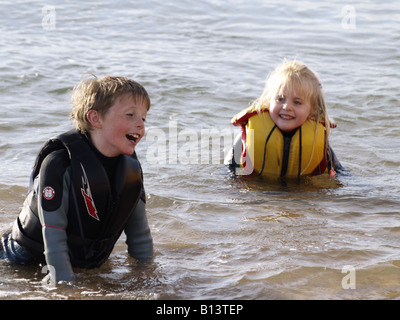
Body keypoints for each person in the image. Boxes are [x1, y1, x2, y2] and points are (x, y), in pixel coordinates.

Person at [0, 75, 153, 284]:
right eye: (130, 115)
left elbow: (140, 236)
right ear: (95, 118)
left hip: (81, 262)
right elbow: (53, 238)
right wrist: (65, 288)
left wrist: (147, 277)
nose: (140, 125)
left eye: (143, 118)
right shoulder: (59, 162)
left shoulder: (130, 168)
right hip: (22, 260)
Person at [226, 60, 344, 179]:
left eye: (297, 102)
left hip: (301, 193)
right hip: (257, 191)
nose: (287, 107)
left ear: (312, 109)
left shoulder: (317, 139)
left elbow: (341, 173)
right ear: (268, 101)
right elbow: (228, 170)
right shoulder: (250, 132)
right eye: (280, 99)